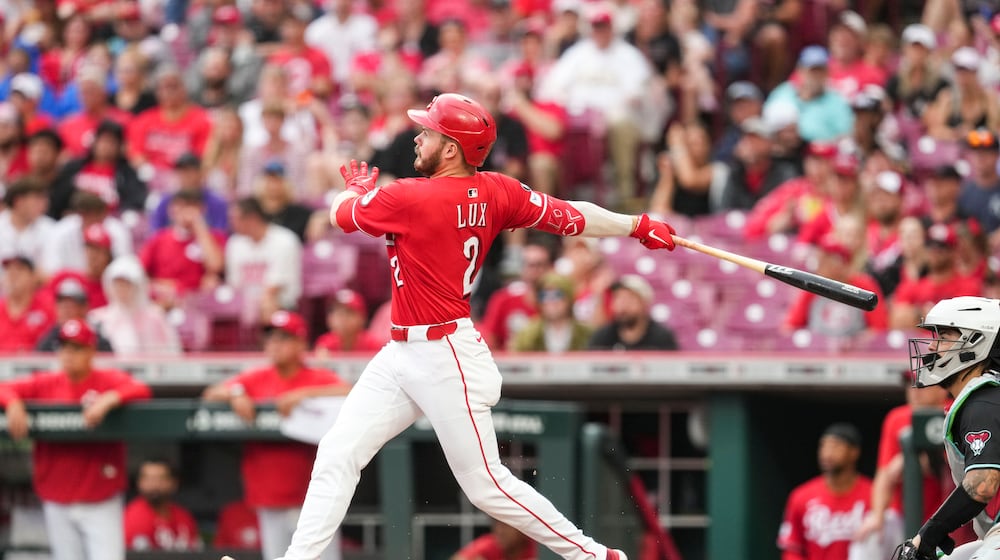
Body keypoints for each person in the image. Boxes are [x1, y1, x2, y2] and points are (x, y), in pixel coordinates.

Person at [273, 92, 676, 560]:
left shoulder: (409, 195)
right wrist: (635, 224)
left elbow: (339, 214)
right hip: (403, 351)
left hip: (445, 355)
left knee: (487, 486)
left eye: (428, 132)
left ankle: (594, 556)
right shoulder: (496, 190)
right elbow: (572, 216)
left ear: (451, 149)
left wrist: (359, 190)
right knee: (338, 452)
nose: (418, 138)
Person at [202, 310, 352, 560]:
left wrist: (304, 394)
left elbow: (351, 392)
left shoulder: (316, 377)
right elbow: (211, 393)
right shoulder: (257, 377)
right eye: (271, 338)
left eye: (283, 338)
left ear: (300, 343)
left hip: (314, 498)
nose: (275, 344)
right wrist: (236, 393)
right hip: (268, 495)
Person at [0, 318, 152, 560]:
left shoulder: (106, 379)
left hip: (100, 497)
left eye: (76, 348)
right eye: (64, 347)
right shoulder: (46, 382)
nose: (68, 354)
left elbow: (141, 389)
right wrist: (14, 403)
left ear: (91, 351)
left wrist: (109, 399)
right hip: (57, 496)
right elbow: (3, 387)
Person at [896, 296, 1000, 560]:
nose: (932, 345)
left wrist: (928, 533)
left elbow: (983, 483)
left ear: (977, 341)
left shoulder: (983, 402)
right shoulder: (985, 398)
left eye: (944, 336)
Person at [854, 372, 963, 559]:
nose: (914, 390)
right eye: (910, 383)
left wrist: (915, 459)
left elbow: (954, 467)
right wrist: (877, 515)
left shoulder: (956, 411)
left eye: (921, 384)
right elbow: (884, 473)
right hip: (903, 517)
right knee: (869, 536)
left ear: (941, 386)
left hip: (950, 517)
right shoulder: (897, 417)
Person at [777, 423, 872, 560]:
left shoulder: (875, 494)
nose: (827, 453)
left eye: (835, 446)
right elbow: (792, 548)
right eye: (823, 446)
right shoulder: (801, 496)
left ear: (854, 452)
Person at [89, 255, 182, 357]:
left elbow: (172, 352)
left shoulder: (155, 317)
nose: (121, 289)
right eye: (117, 284)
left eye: (126, 284)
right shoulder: (98, 319)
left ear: (138, 286)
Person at [124, 457, 203, 551]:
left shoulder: (184, 516)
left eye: (160, 478)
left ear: (174, 483)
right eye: (148, 479)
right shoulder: (132, 516)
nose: (154, 484)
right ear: (139, 483)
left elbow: (198, 551)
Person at [587, 274, 678, 351]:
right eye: (618, 298)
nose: (622, 306)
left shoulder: (661, 338)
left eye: (628, 299)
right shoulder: (603, 337)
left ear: (643, 302)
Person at [511, 272, 591, 353]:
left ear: (569, 298)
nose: (550, 300)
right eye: (544, 295)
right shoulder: (527, 334)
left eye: (557, 295)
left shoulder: (586, 333)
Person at [36, 276, 113, 352]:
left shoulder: (96, 337)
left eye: (72, 306)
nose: (67, 311)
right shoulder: (49, 340)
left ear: (84, 308)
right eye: (63, 305)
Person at [0, 255, 55, 352]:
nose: (12, 276)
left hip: (38, 365)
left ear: (33, 277)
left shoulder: (48, 308)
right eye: (8, 271)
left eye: (19, 271)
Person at [314, 289, 382, 356]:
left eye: (349, 313)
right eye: (337, 313)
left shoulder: (373, 345)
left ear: (362, 318)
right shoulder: (325, 343)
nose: (342, 318)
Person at [451, 519, 538, 560]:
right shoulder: (491, 543)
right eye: (496, 524)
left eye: (505, 525)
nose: (499, 531)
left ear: (520, 528)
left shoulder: (536, 545)